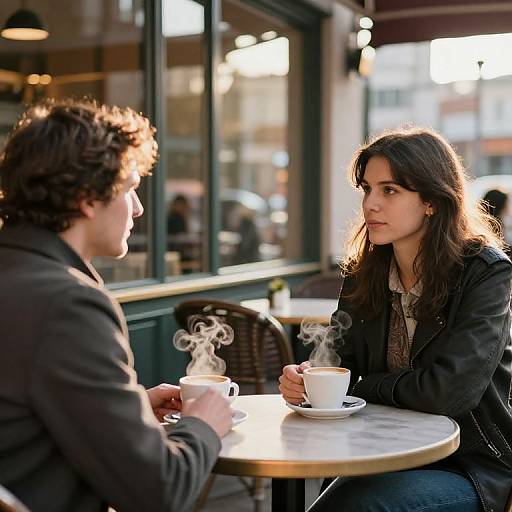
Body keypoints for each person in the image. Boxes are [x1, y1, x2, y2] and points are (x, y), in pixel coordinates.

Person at [0, 99, 233, 512]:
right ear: (88, 198)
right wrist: (203, 426)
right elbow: (159, 491)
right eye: (129, 188)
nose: (139, 208)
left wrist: (127, 410)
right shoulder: (67, 304)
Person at [279, 128, 512, 512]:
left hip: (467, 465)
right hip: (377, 452)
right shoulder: (364, 272)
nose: (370, 204)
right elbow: (339, 365)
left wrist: (364, 385)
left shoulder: (484, 273)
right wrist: (307, 380)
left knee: (350, 509)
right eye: (367, 189)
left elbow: (449, 393)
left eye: (389, 190)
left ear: (432, 201)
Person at [482, 188, 511, 255]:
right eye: (506, 204)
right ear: (500, 206)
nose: (508, 208)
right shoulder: (497, 226)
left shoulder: (480, 223)